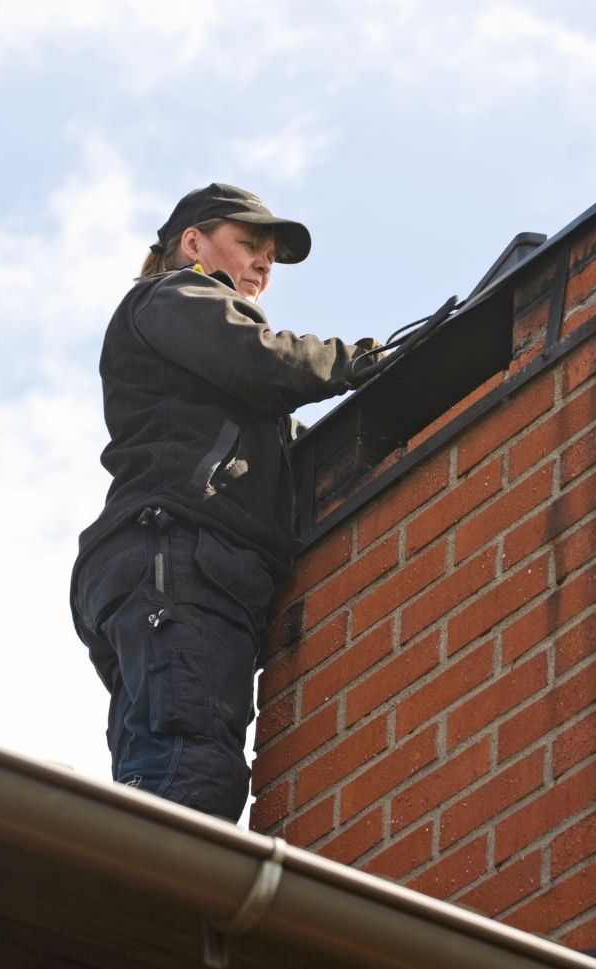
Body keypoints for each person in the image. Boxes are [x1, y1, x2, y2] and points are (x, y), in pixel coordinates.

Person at [70, 183, 378, 821]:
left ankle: (130, 899)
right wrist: (361, 361)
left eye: (272, 257)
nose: (265, 264)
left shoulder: (216, 375)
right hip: (177, 555)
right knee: (188, 772)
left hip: (161, 564)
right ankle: (153, 911)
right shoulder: (177, 295)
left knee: (158, 768)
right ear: (193, 244)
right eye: (250, 245)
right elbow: (260, 359)